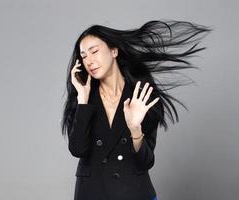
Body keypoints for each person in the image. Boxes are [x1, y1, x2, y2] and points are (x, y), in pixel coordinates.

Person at [61, 20, 212, 200]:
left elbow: (145, 162)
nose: (89, 61)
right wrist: (83, 101)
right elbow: (78, 149)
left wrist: (134, 128)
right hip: (92, 193)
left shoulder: (141, 94)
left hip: (133, 193)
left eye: (94, 51)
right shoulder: (83, 97)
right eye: (83, 56)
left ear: (113, 51)